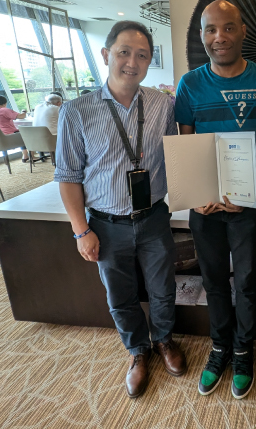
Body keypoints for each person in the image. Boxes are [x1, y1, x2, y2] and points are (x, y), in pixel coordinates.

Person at [55, 20, 186, 399]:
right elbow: (68, 177)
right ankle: (137, 351)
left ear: (149, 62)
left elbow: (178, 158)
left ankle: (163, 340)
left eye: (142, 55)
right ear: (106, 54)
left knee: (163, 289)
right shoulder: (76, 111)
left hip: (154, 217)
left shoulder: (164, 105)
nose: (132, 62)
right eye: (124, 52)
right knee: (120, 295)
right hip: (106, 223)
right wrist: (81, 230)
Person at [175, 0, 256, 400]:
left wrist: (249, 195)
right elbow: (187, 150)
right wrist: (199, 192)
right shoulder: (189, 85)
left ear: (243, 31)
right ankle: (219, 347)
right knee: (212, 282)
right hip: (204, 207)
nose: (218, 37)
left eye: (226, 27)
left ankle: (244, 350)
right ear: (202, 35)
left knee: (245, 282)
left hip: (247, 207)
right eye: (209, 29)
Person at [0, 94, 32, 162]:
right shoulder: (3, 110)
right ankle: (31, 156)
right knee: (28, 133)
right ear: (4, 103)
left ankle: (25, 155)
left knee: (19, 133)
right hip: (8, 137)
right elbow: (21, 116)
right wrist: (24, 111)